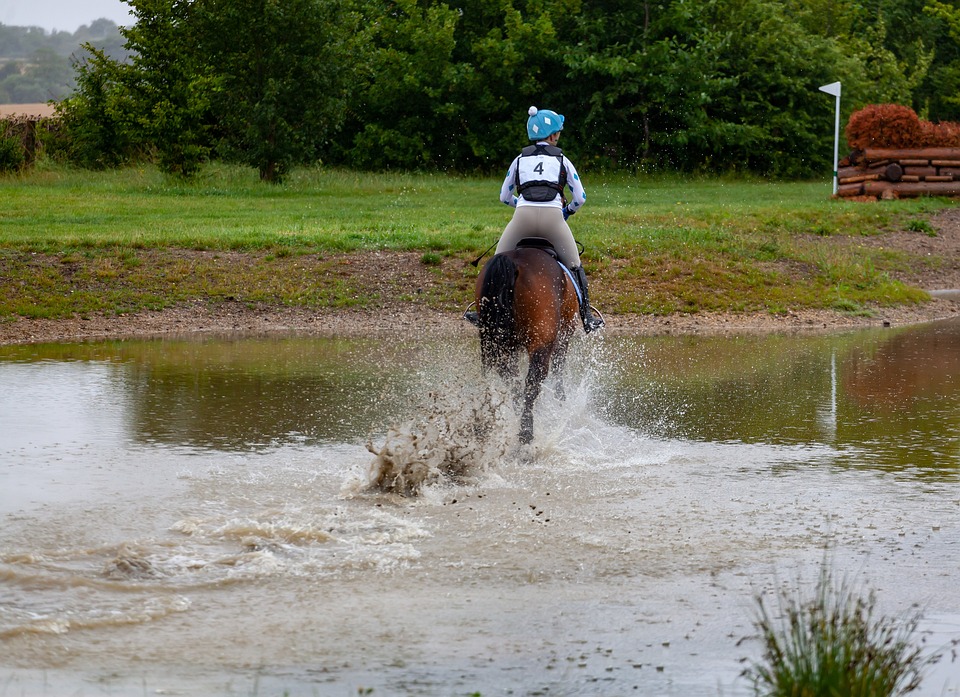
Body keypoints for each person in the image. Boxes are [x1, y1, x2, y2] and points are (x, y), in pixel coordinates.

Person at [493, 105, 603, 332]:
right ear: (552, 135)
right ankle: (587, 316)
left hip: (522, 220)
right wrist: (567, 211)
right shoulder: (563, 160)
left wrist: (522, 204)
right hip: (554, 220)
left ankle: (484, 308)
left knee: (497, 264)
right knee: (574, 265)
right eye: (558, 132)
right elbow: (580, 198)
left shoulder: (519, 160)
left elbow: (504, 196)